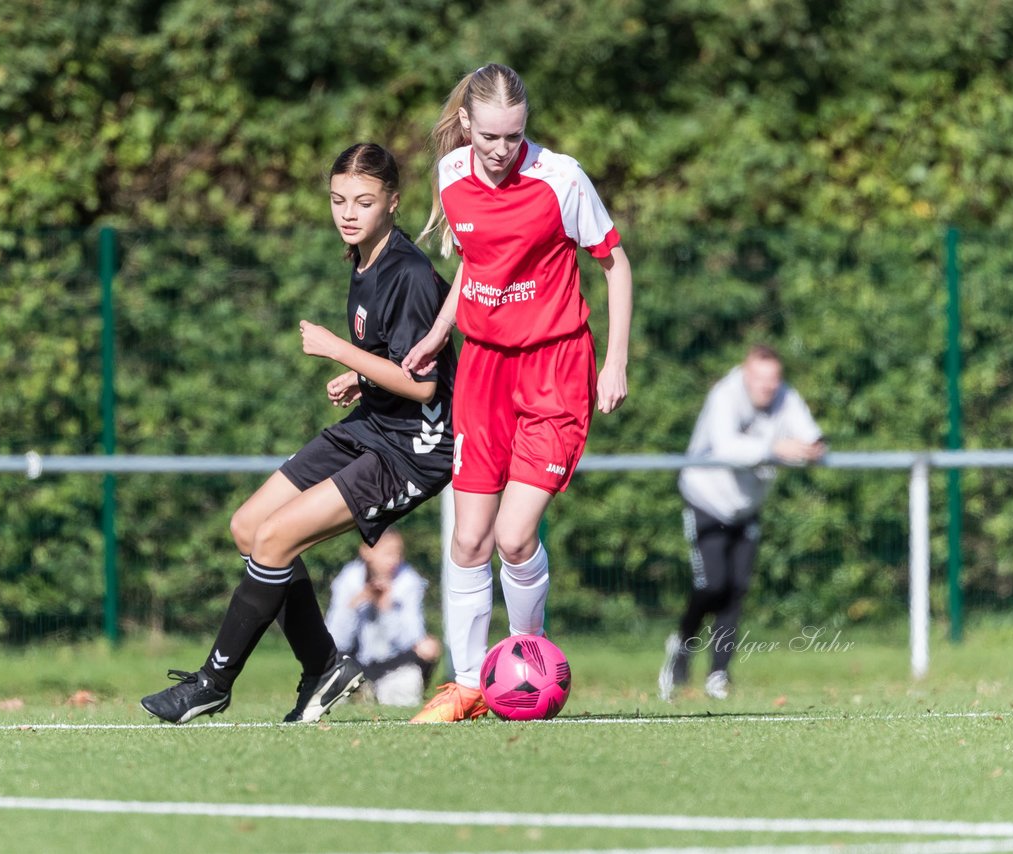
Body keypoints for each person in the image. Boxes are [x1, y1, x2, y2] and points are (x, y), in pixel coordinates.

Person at [141, 142, 456, 724]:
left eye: (364, 201)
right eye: (338, 200)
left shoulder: (408, 272)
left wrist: (342, 351)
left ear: (393, 201)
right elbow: (397, 360)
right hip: (375, 423)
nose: (348, 213)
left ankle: (214, 681)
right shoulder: (362, 259)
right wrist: (360, 378)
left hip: (414, 449)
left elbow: (425, 388)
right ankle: (324, 668)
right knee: (249, 528)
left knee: (276, 540)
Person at [401, 63, 634, 723]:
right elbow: (477, 269)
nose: (502, 150)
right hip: (483, 371)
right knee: (468, 538)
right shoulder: (451, 177)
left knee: (513, 535)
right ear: (468, 125)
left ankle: (530, 664)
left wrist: (614, 360)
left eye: (514, 135)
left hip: (556, 367)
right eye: (490, 137)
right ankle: (468, 686)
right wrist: (437, 334)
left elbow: (615, 264)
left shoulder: (561, 179)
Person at [659, 344, 826, 702]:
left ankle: (719, 672)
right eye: (761, 380)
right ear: (746, 374)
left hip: (746, 509)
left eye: (773, 380)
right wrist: (775, 449)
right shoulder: (725, 394)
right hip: (705, 500)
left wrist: (813, 448)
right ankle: (682, 645)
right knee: (711, 586)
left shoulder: (786, 396)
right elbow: (726, 447)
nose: (767, 388)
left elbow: (809, 436)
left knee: (736, 589)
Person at [325, 529, 441, 707]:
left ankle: (373, 690)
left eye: (398, 553)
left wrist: (386, 608)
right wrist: (357, 603)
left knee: (429, 647)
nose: (394, 560)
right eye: (388, 553)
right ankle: (360, 688)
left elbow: (412, 639)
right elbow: (335, 639)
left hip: (392, 662)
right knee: (327, 662)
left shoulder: (409, 581)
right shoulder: (349, 579)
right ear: (366, 552)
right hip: (355, 659)